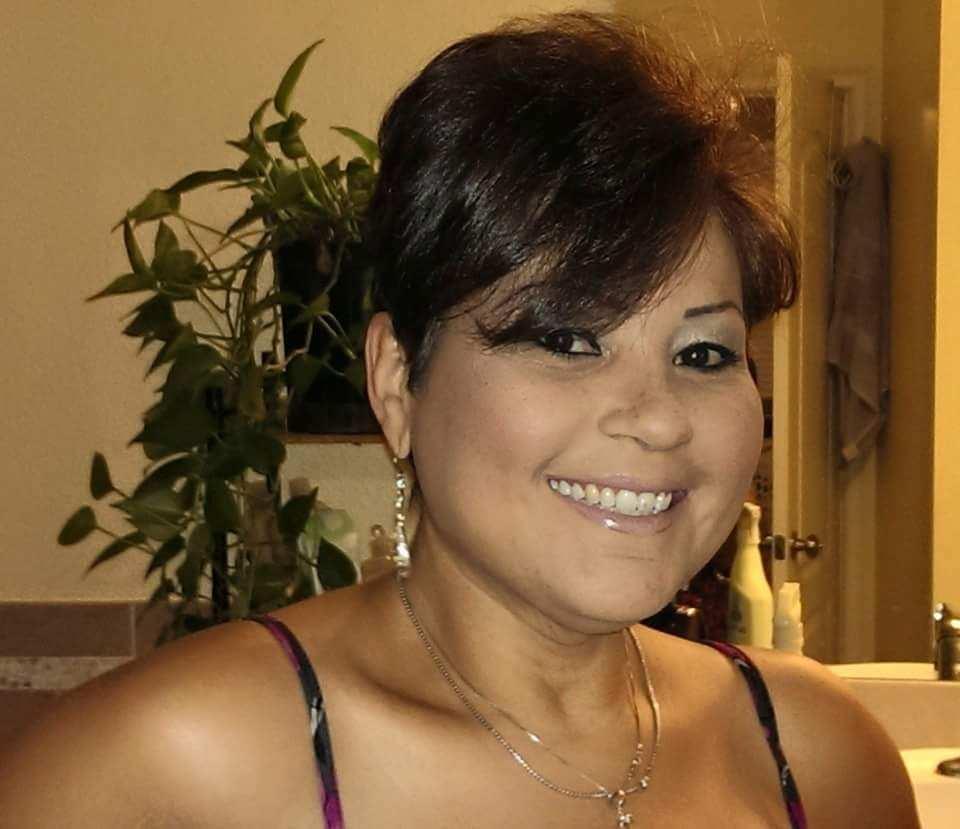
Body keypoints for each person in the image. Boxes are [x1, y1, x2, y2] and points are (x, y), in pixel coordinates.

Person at [0, 12, 918, 828]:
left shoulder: (816, 756)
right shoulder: (163, 772)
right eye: (565, 339)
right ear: (398, 380)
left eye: (704, 354)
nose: (658, 421)